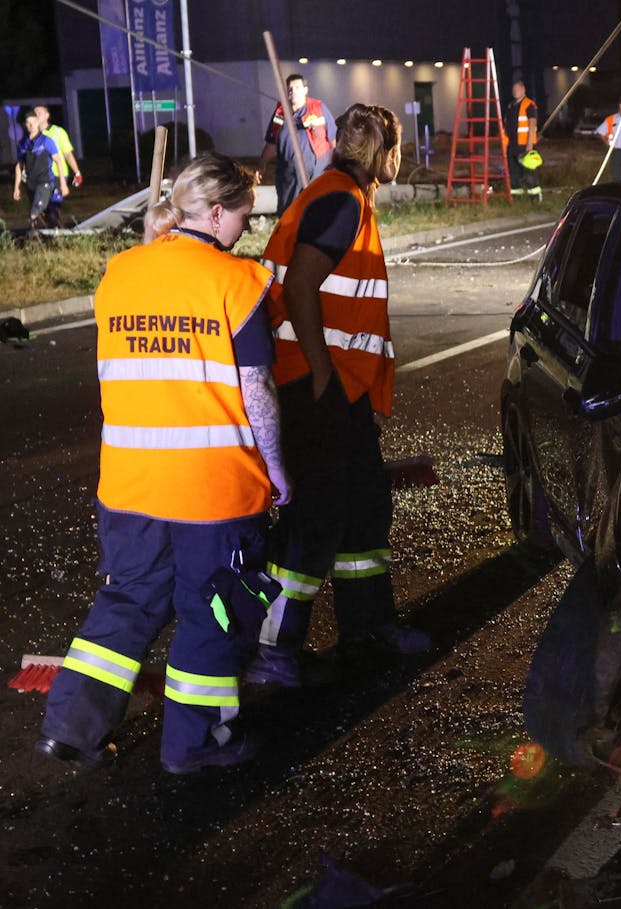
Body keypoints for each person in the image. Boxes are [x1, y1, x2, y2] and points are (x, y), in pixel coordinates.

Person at [38, 152, 288, 774]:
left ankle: (70, 727)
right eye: (242, 216)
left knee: (127, 600)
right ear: (214, 211)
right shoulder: (241, 282)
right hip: (211, 489)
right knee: (212, 609)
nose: (246, 230)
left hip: (128, 484)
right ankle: (193, 745)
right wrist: (278, 471)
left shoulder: (119, 273)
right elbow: (257, 392)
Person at [249, 102, 428, 688]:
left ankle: (366, 627)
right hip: (317, 385)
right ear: (385, 152)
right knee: (315, 519)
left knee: (364, 507)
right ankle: (275, 651)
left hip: (335, 387)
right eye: (398, 150)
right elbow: (299, 283)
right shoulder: (342, 201)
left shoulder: (342, 195)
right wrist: (323, 373)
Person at [257, 73, 334, 214]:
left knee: (318, 210)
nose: (293, 92)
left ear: (305, 90)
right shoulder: (280, 113)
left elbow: (333, 139)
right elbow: (271, 143)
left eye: (297, 88)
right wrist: (262, 166)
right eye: (290, 89)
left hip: (317, 170)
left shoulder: (319, 108)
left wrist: (339, 165)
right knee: (289, 211)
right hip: (289, 173)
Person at [11, 112, 68, 229]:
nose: (31, 125)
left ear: (38, 123)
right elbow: (19, 166)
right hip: (31, 183)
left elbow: (58, 161)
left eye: (33, 122)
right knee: (45, 213)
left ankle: (31, 235)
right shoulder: (23, 144)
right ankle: (54, 232)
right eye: (28, 123)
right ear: (25, 125)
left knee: (35, 210)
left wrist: (62, 183)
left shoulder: (46, 140)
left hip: (45, 181)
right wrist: (17, 187)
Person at [32, 105, 83, 193]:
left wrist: (77, 172)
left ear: (47, 116)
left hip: (58, 175)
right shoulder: (32, 135)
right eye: (34, 113)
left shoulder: (58, 132)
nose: (36, 115)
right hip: (39, 176)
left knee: (51, 203)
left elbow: (68, 154)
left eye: (39, 113)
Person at [505, 80, 541, 195]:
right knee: (513, 172)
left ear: (523, 90)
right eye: (514, 90)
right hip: (512, 145)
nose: (515, 91)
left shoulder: (529, 105)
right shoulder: (511, 106)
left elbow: (532, 125)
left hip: (524, 145)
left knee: (529, 172)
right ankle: (517, 197)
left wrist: (529, 145)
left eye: (518, 89)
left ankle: (535, 197)